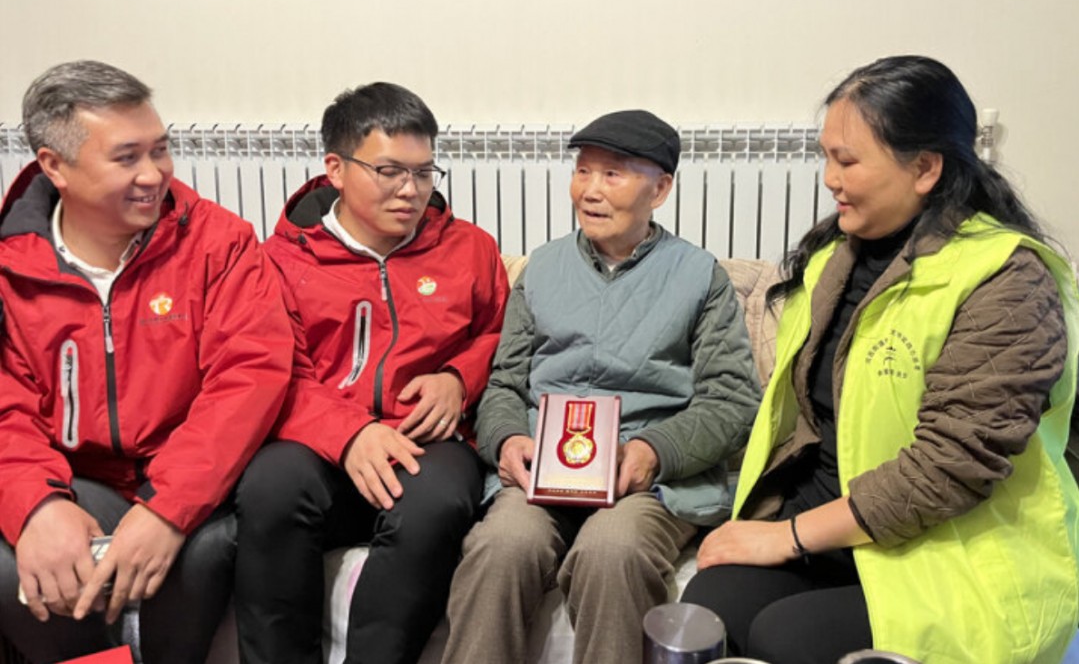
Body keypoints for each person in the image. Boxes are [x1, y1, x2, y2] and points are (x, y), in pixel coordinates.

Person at [681, 55, 1079, 664]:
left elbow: (948, 468)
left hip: (945, 549)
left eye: (847, 161)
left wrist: (787, 537)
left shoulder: (1007, 280)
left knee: (787, 638)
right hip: (837, 530)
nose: (829, 179)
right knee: (709, 609)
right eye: (825, 157)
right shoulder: (831, 261)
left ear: (925, 168)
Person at [441, 110, 763, 664]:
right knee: (500, 547)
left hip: (647, 485)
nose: (590, 190)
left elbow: (732, 399)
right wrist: (508, 440)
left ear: (660, 189)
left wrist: (652, 452)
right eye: (582, 171)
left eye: (612, 174)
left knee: (612, 551)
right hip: (541, 476)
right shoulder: (542, 269)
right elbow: (504, 383)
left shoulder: (698, 276)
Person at [0, 60, 294, 663]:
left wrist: (167, 511)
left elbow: (248, 379)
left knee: (202, 558)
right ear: (55, 166)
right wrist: (38, 507)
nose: (153, 174)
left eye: (160, 150)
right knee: (16, 574)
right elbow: (6, 409)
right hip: (75, 480)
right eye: (127, 157)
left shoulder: (219, 243)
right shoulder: (12, 267)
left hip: (198, 484)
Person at [233, 81, 509, 664]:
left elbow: (502, 336)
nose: (410, 190)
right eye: (389, 171)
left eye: (424, 172)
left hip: (426, 440)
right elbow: (275, 372)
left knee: (436, 503)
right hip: (318, 442)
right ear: (335, 168)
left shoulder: (471, 249)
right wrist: (349, 433)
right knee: (270, 488)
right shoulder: (279, 261)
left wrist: (459, 378)